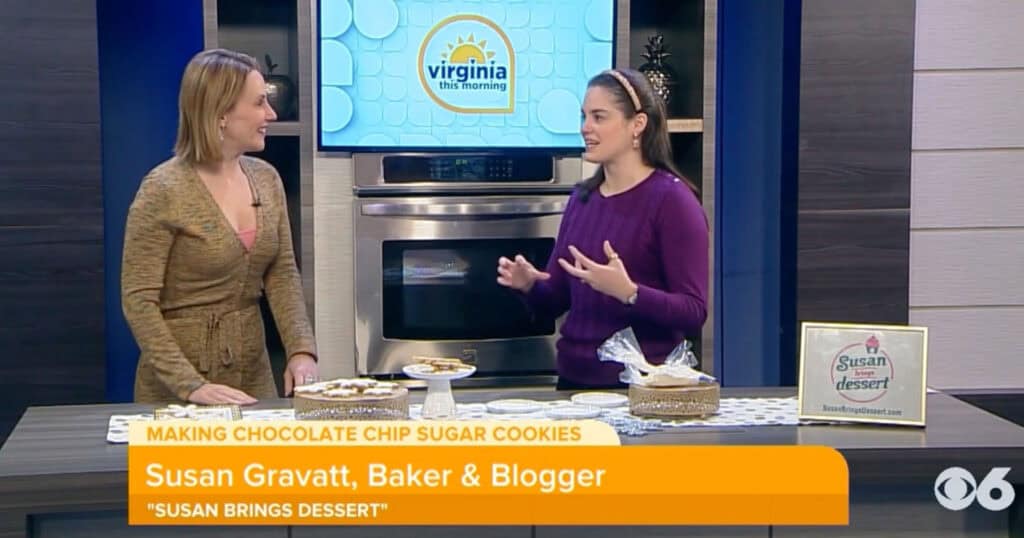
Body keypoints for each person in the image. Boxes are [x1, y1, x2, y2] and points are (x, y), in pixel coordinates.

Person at [121, 49, 318, 405]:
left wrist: (301, 350)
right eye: (259, 103)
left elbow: (282, 273)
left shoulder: (267, 179)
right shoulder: (163, 189)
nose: (271, 114)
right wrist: (191, 385)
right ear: (221, 113)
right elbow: (138, 300)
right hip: (178, 387)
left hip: (252, 377)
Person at [497, 68, 708, 389]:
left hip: (641, 390)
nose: (586, 128)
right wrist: (529, 286)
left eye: (599, 117)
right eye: (584, 117)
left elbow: (693, 312)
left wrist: (630, 293)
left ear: (637, 124)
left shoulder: (673, 201)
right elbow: (556, 300)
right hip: (573, 385)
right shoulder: (582, 199)